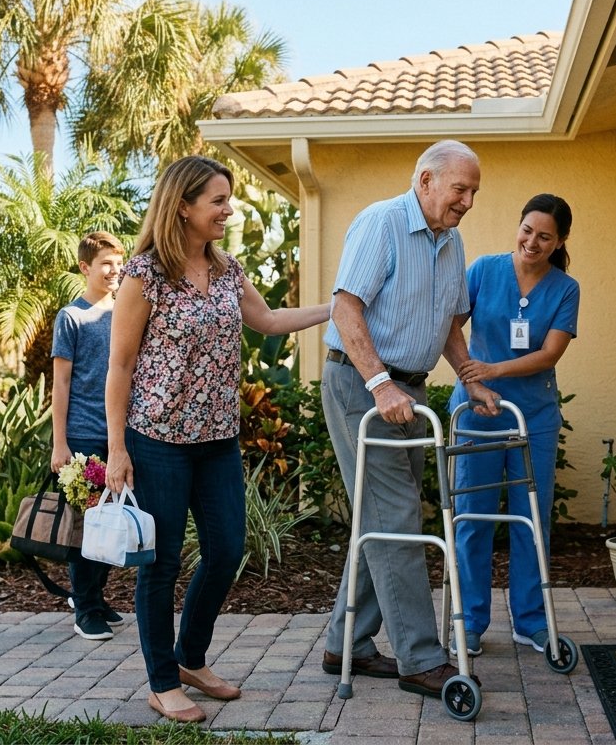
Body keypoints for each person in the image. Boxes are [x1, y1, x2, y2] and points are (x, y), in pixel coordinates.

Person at [104, 155, 331, 724]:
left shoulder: (227, 270)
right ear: (183, 206)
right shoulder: (144, 274)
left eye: (228, 200)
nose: (228, 210)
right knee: (160, 563)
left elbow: (269, 321)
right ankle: (162, 682)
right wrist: (117, 448)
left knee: (227, 549)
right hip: (157, 439)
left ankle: (190, 657)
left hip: (217, 439)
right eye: (218, 201)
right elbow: (120, 366)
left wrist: (337, 308)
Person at [319, 139, 501, 699]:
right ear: (425, 180)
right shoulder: (382, 223)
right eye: (460, 189)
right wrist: (379, 383)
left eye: (473, 192)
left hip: (408, 392)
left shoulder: (451, 240)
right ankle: (421, 658)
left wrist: (470, 377)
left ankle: (346, 644)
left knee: (383, 516)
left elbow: (448, 321)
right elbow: (345, 306)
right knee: (395, 517)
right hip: (362, 386)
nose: (468, 201)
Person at [447, 193, 580, 658]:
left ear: (560, 241)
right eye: (527, 230)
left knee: (531, 518)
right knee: (473, 517)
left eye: (545, 236)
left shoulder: (565, 289)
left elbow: (549, 353)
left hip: (533, 419)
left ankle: (531, 621)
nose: (532, 242)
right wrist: (473, 379)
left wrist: (493, 370)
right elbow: (450, 326)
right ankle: (471, 622)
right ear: (518, 226)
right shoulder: (484, 270)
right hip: (477, 413)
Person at [50, 231, 126, 642]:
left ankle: (94, 597)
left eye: (118, 262)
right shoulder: (71, 317)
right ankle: (85, 608)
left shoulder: (126, 310)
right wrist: (59, 443)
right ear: (85, 267)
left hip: (121, 435)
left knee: (112, 521)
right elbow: (60, 384)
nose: (114, 270)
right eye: (106, 264)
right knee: (87, 525)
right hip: (82, 436)